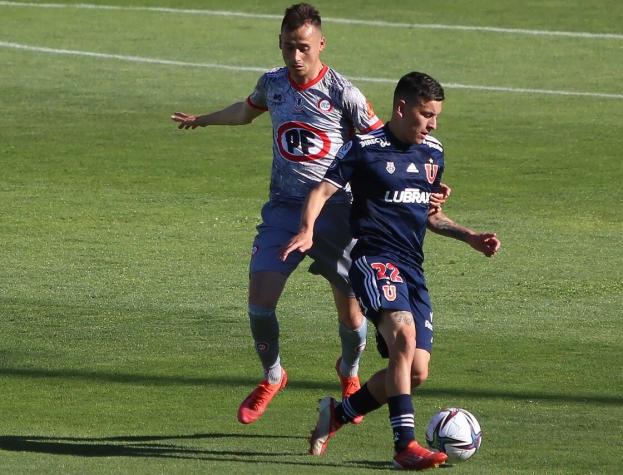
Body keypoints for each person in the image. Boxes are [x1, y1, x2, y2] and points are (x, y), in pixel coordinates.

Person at [171, 4, 449, 425]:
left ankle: (349, 373)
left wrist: (421, 185)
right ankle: (273, 376)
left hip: (338, 212)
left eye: (303, 48)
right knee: (260, 302)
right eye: (287, 48)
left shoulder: (344, 94)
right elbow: (247, 110)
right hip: (285, 210)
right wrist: (204, 120)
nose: (295, 57)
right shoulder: (273, 84)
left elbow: (383, 144)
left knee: (352, 314)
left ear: (321, 44)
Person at [281, 71, 500, 470]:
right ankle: (405, 446)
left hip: (412, 269)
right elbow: (321, 190)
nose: (432, 123)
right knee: (402, 334)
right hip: (374, 260)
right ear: (402, 108)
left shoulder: (432, 152)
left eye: (436, 116)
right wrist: (307, 229)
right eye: (426, 114)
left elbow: (429, 214)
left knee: (415, 371)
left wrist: (468, 235)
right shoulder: (363, 148)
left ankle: (338, 414)